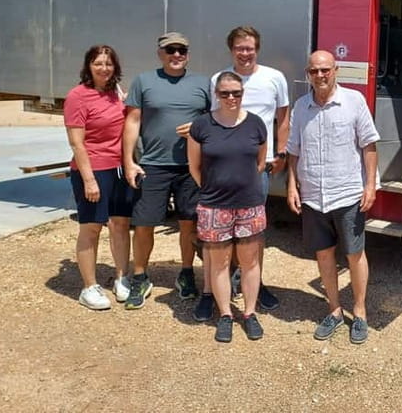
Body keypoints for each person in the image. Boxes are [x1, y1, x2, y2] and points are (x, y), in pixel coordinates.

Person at [194, 26, 289, 321]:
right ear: (231, 50)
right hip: (220, 169)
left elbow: (283, 118)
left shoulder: (274, 78)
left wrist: (281, 153)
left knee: (253, 235)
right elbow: (211, 122)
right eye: (239, 48)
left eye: (249, 48)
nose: (245, 53)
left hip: (256, 167)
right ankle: (210, 292)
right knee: (215, 238)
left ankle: (254, 286)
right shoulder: (219, 80)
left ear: (257, 49)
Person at [286, 50, 379, 345]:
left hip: (348, 192)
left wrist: (370, 186)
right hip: (313, 195)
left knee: (354, 254)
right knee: (324, 255)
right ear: (307, 73)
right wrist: (291, 184)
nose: (320, 76)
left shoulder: (354, 101)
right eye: (314, 71)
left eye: (325, 70)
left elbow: (369, 145)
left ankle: (360, 312)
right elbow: (293, 150)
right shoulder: (301, 107)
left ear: (336, 70)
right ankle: (335, 311)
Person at [122, 32, 211, 310]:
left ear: (188, 53)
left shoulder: (203, 83)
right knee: (145, 222)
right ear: (160, 53)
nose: (176, 55)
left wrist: (198, 130)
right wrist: (128, 160)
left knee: (188, 222)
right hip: (153, 164)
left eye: (181, 50)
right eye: (170, 50)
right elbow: (132, 121)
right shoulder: (144, 81)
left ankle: (185, 273)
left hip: (190, 167)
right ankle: (139, 275)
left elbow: (213, 121)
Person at [188, 71, 268, 342]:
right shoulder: (201, 126)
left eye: (236, 92)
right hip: (214, 205)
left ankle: (249, 312)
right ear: (216, 95)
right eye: (225, 93)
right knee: (219, 263)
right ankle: (225, 315)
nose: (231, 98)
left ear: (243, 93)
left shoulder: (256, 124)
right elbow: (194, 167)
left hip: (249, 204)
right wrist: (213, 188)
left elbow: (259, 163)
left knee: (250, 261)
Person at [63, 45, 133, 310]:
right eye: (98, 63)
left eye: (108, 63)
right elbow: (77, 143)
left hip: (118, 168)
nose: (104, 68)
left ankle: (121, 277)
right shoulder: (77, 97)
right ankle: (88, 287)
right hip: (92, 169)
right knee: (91, 227)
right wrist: (89, 179)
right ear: (88, 66)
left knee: (120, 224)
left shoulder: (115, 93)